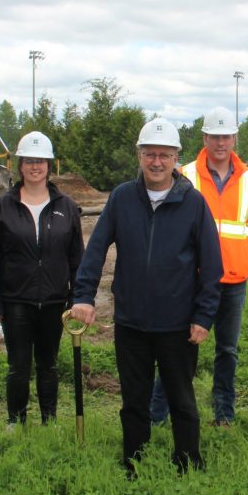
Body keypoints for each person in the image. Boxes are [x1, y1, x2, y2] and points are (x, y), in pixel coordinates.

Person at [70, 117, 222, 476]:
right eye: (150, 154)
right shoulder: (122, 198)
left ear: (176, 159)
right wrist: (84, 296)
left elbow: (212, 266)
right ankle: (132, 459)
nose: (156, 162)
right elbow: (95, 249)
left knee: (182, 398)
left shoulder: (194, 203)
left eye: (164, 155)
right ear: (139, 156)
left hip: (177, 325)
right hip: (131, 322)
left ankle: (188, 460)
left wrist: (203, 317)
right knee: (133, 399)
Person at [150, 106, 248, 427]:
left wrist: (234, 256)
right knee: (178, 350)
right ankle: (158, 414)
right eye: (214, 136)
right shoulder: (183, 176)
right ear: (204, 138)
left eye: (226, 136)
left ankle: (224, 414)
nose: (220, 143)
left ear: (234, 139)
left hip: (232, 280)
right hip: (191, 281)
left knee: (227, 350)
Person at [0, 131, 83, 426]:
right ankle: (15, 421)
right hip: (16, 300)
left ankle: (49, 420)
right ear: (20, 165)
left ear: (48, 165)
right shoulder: (5, 206)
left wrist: (77, 296)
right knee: (18, 366)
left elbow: (76, 256)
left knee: (48, 365)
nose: (35, 166)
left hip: (54, 300)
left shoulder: (66, 206)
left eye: (40, 161)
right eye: (29, 161)